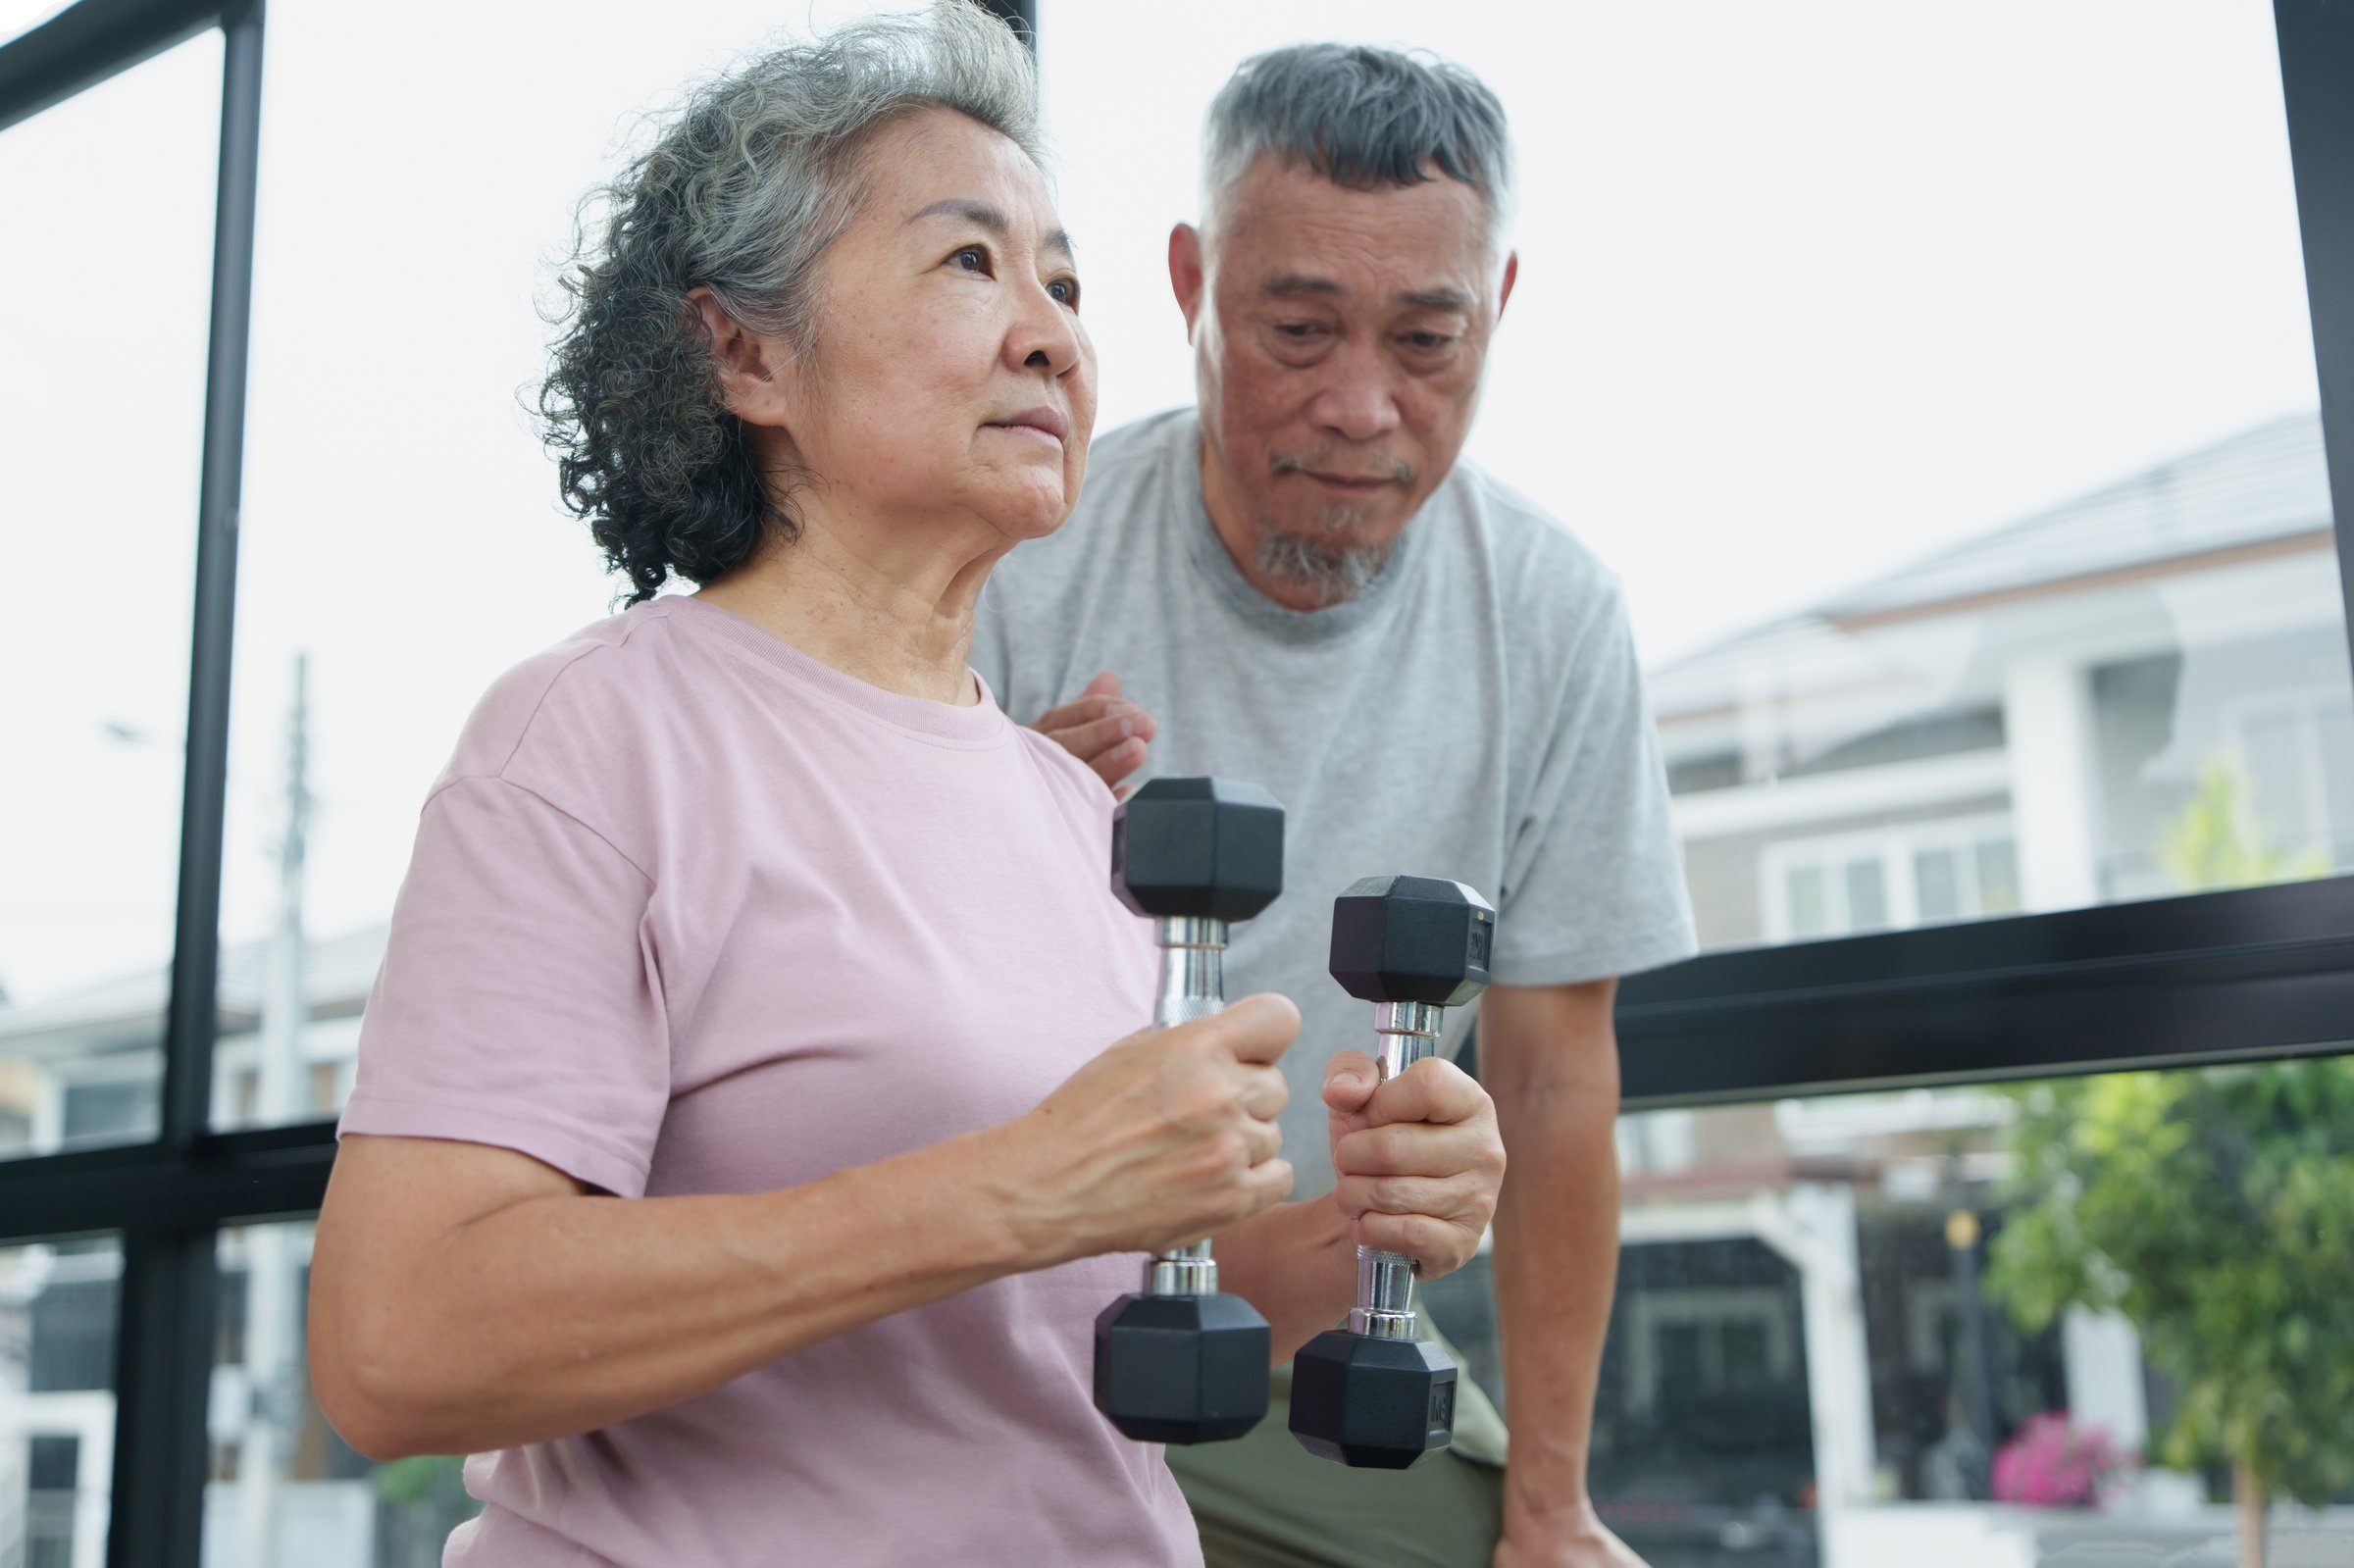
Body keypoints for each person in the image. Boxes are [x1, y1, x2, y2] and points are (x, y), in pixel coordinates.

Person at [304, 11, 1506, 1565]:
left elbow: (1069, 1323)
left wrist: (1368, 1214)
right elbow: (397, 1345)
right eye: (969, 264)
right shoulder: (593, 738)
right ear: (744, 351)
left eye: (1064, 286)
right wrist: (1011, 1188)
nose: (1055, 337)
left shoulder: (1076, 812)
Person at [973, 40, 1698, 1568]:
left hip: (1318, 1340)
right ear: (1188, 286)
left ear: (1497, 309)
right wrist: (988, 815)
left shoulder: (1554, 617)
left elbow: (1560, 1085)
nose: (1362, 406)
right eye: (1297, 329)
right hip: (992, 1320)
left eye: (1428, 341)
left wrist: (1554, 1512)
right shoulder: (1014, 557)